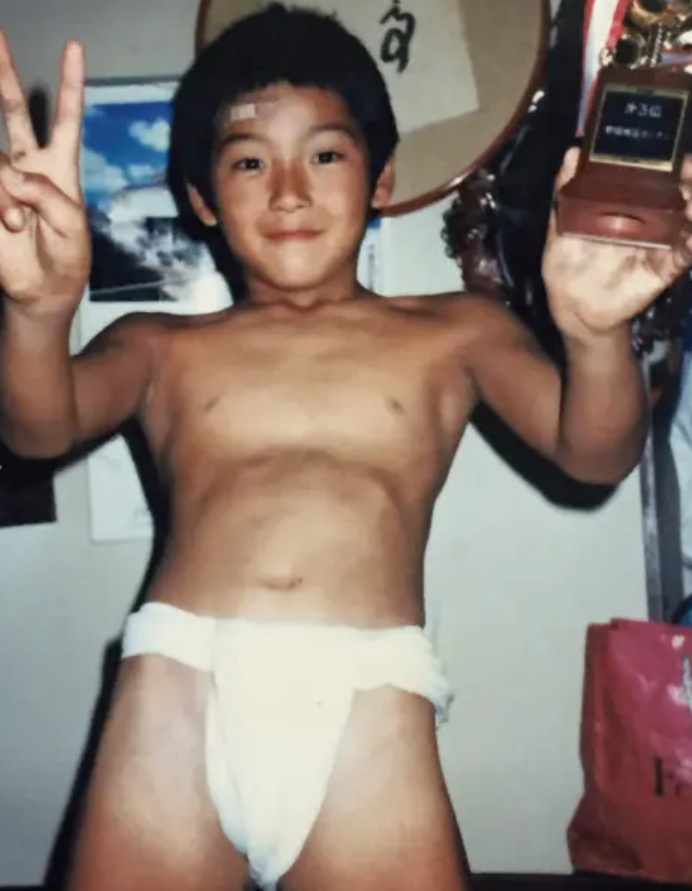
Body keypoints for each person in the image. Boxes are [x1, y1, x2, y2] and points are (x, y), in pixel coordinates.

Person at [0, 5, 690, 890]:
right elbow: (39, 427)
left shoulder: (458, 331)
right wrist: (37, 312)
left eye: (325, 155)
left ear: (381, 176)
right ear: (202, 198)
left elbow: (594, 455)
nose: (289, 190)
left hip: (369, 703)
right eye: (249, 162)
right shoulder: (155, 345)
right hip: (176, 689)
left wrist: (594, 336)